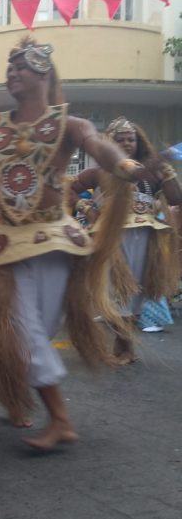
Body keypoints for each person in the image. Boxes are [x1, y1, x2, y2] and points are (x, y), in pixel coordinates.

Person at [0, 39, 144, 450]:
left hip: (53, 241)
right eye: (8, 66)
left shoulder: (69, 124)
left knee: (34, 330)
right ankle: (60, 418)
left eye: (21, 66)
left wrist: (125, 164)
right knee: (20, 329)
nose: (12, 72)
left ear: (44, 73)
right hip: (5, 242)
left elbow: (99, 145)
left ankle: (16, 392)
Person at [71, 117, 181, 362]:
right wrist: (86, 207)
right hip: (111, 240)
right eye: (119, 140)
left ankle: (124, 346)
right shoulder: (99, 172)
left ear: (138, 141)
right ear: (109, 143)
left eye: (130, 139)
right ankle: (124, 345)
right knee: (113, 292)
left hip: (144, 241)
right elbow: (68, 188)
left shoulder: (151, 172)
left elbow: (175, 199)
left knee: (135, 293)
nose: (126, 143)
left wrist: (168, 172)